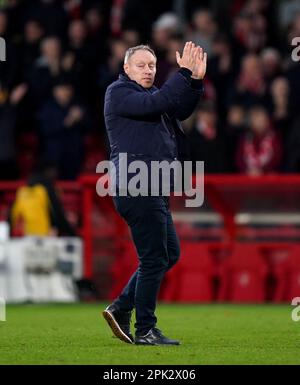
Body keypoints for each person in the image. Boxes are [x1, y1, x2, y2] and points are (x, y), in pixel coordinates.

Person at [102, 42, 206, 345]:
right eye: (142, 65)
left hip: (153, 186)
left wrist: (195, 82)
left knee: (167, 254)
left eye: (152, 66)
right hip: (137, 185)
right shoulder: (118, 92)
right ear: (126, 68)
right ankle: (144, 328)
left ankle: (121, 307)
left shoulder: (151, 94)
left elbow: (179, 108)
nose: (149, 70)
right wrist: (183, 72)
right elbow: (160, 103)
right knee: (153, 258)